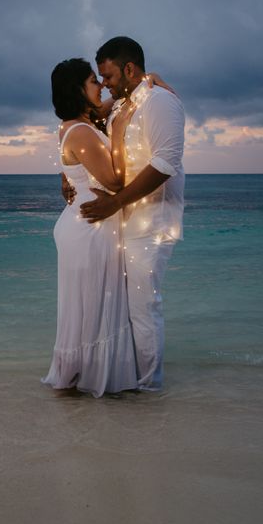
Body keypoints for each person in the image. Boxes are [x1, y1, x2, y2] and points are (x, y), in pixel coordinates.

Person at [77, 36, 185, 391]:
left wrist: (116, 201)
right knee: (122, 306)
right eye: (100, 78)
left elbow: (165, 163)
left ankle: (150, 386)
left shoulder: (160, 102)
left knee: (143, 306)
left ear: (129, 69)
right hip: (122, 221)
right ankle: (127, 378)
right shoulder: (122, 106)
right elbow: (84, 119)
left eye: (108, 76)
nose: (104, 84)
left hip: (151, 221)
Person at [42, 58, 139, 397]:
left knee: (85, 306)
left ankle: (80, 377)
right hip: (90, 227)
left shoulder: (74, 124)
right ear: (78, 90)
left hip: (82, 224)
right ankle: (96, 378)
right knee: (97, 303)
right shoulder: (82, 130)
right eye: (93, 81)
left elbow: (115, 100)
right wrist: (123, 126)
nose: (101, 86)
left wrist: (145, 81)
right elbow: (114, 180)